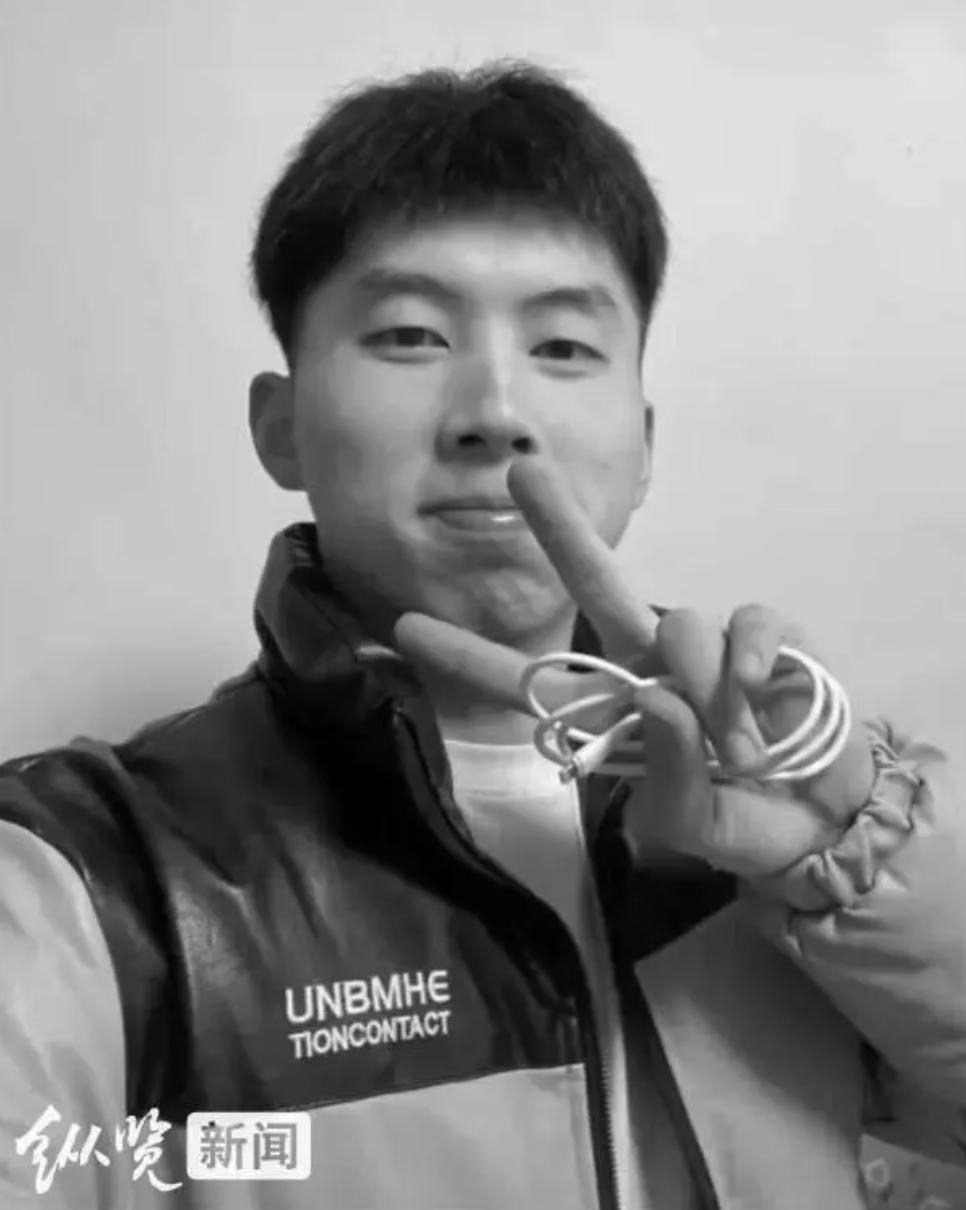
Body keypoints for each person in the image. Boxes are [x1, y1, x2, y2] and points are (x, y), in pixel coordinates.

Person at [1, 60, 964, 1210]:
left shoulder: (819, 807)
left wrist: (851, 868)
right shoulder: (91, 877)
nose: (497, 413)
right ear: (281, 427)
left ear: (644, 443)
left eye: (563, 348)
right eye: (411, 335)